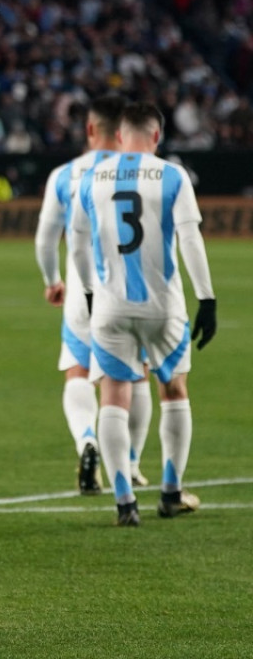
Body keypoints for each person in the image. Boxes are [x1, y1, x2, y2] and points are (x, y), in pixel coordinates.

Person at [70, 102, 216, 527]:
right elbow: (190, 238)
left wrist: (90, 293)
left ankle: (124, 502)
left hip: (110, 305)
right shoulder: (172, 175)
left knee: (113, 396)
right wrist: (206, 298)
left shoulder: (91, 177)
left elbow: (77, 244)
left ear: (118, 137)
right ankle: (170, 492)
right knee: (173, 390)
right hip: (162, 305)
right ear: (156, 137)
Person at [36, 95, 155, 493]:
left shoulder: (66, 175)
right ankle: (132, 463)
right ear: (124, 132)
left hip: (81, 289)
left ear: (90, 129)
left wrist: (53, 278)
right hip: (131, 286)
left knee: (78, 371)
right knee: (135, 377)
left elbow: (46, 238)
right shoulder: (147, 173)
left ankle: (87, 439)